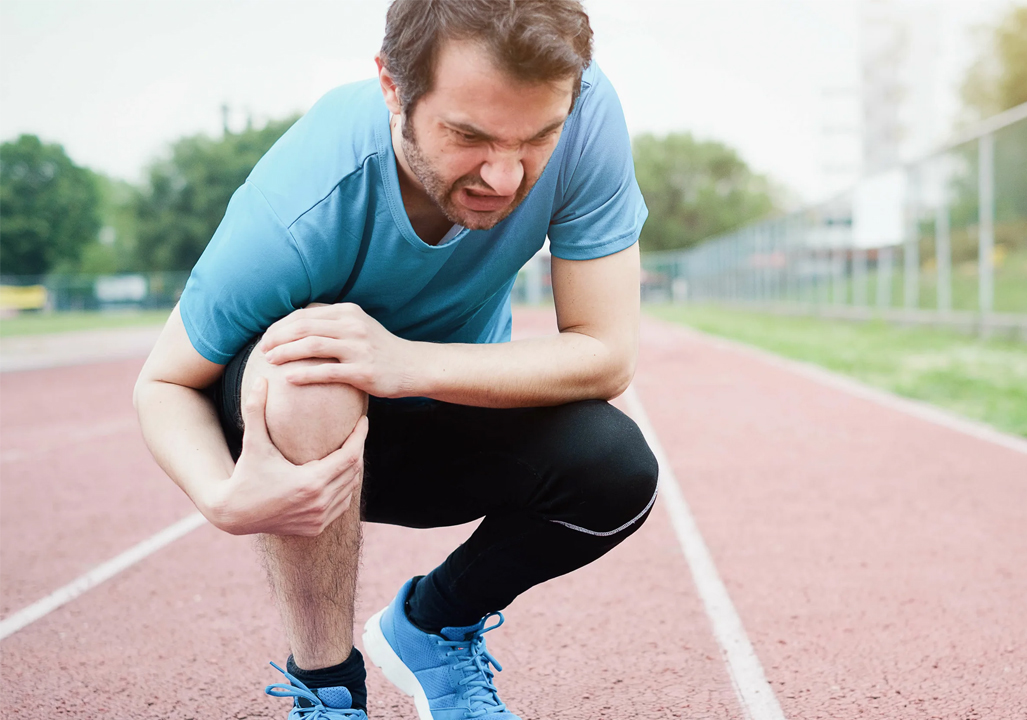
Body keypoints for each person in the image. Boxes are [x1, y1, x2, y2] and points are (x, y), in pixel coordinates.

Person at [133, 1, 659, 717]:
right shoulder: (301, 206)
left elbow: (605, 352)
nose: (504, 178)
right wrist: (222, 500)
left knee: (616, 468)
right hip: (296, 441)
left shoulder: (588, 114)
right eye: (467, 136)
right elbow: (164, 382)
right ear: (392, 86)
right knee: (309, 365)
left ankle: (433, 628)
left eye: (538, 137)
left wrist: (403, 363)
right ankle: (325, 692)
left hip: (441, 418)